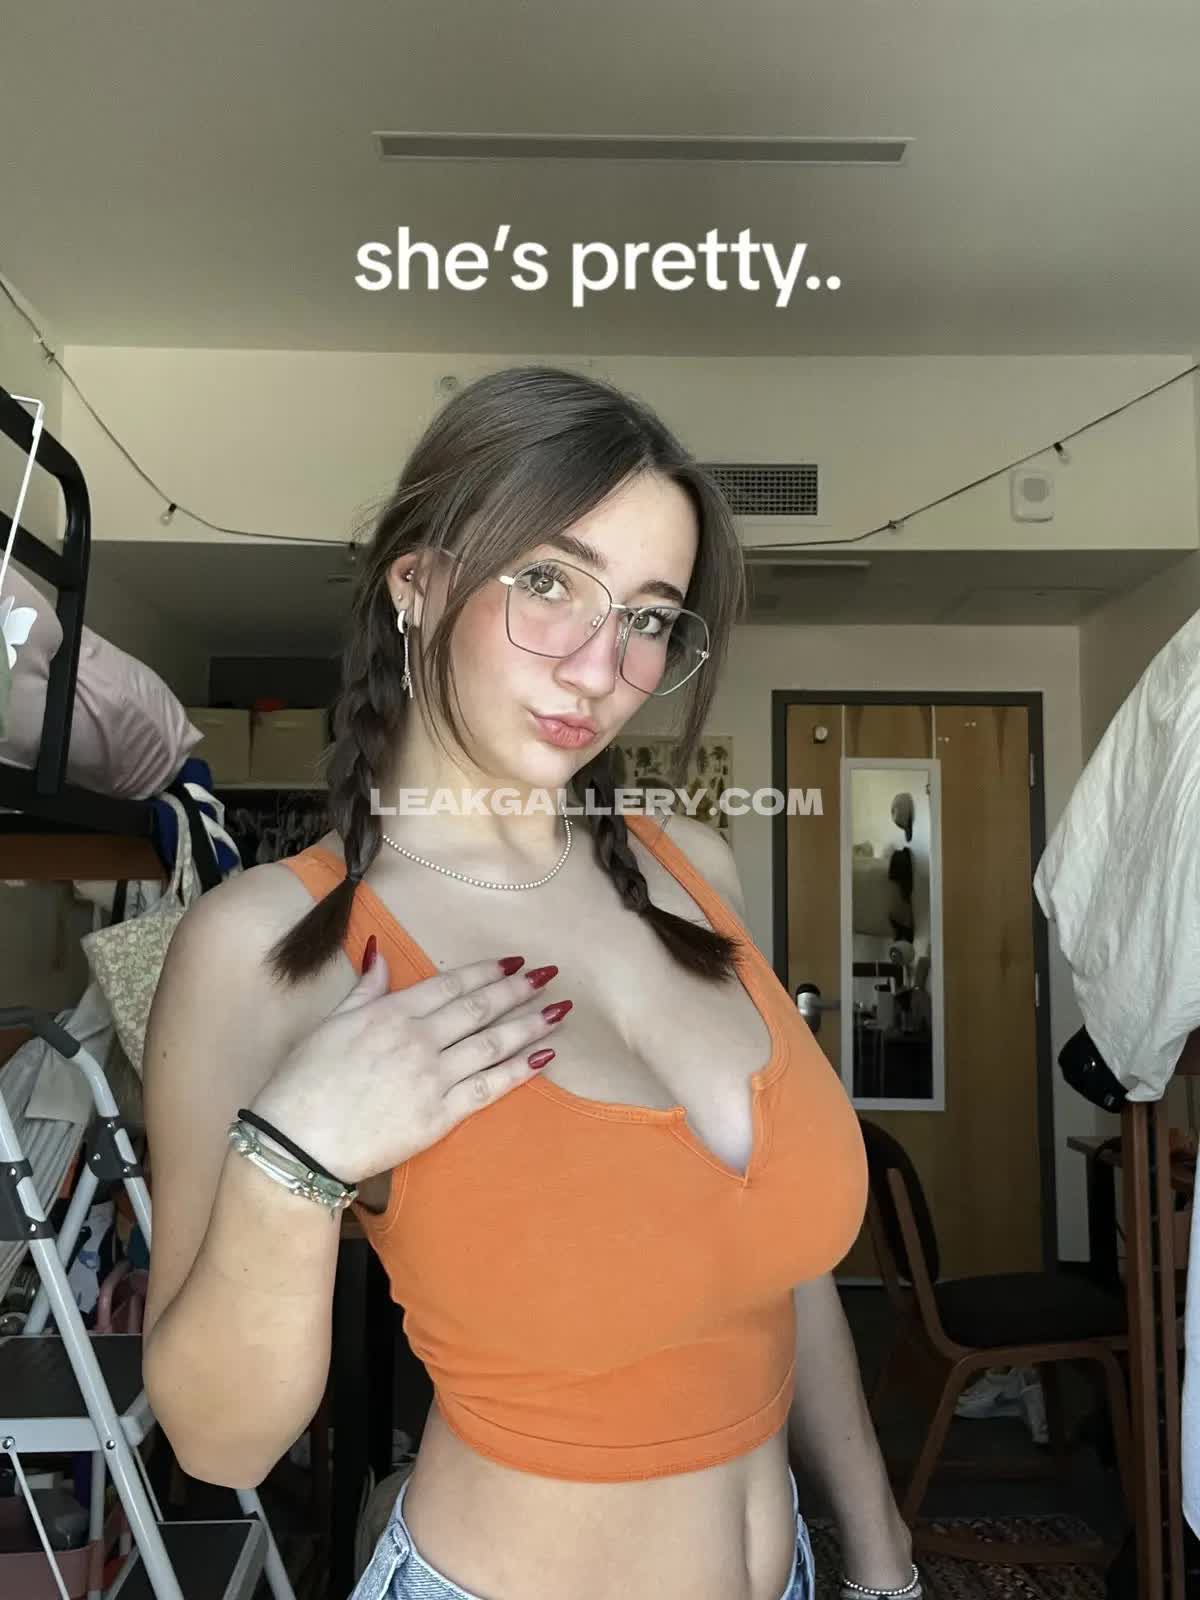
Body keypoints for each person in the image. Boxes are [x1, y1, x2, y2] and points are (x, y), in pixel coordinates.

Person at [141, 366, 920, 1600]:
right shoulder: (271, 943)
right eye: (550, 582)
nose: (601, 666)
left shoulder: (694, 872)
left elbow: (780, 1267)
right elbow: (216, 1444)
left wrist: (882, 1557)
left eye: (650, 617)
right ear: (418, 584)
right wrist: (292, 1164)